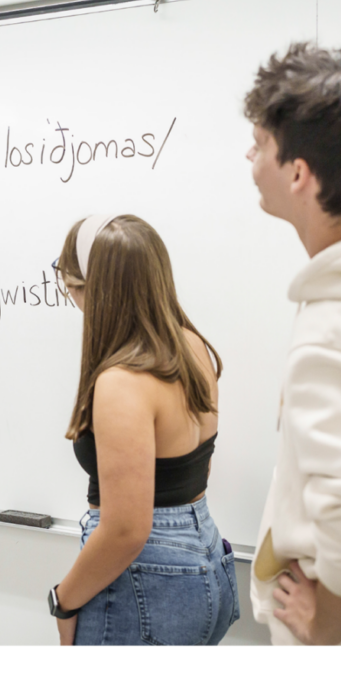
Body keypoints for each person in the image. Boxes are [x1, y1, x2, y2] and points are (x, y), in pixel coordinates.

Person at [47, 214, 239, 645]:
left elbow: (126, 530)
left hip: (149, 579)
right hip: (205, 552)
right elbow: (195, 471)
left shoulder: (121, 381)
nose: (75, 302)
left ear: (98, 291)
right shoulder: (192, 346)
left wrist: (63, 600)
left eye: (74, 289)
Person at [243, 43, 341, 645]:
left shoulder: (332, 327)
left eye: (262, 144)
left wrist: (326, 628)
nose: (250, 155)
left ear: (299, 173)